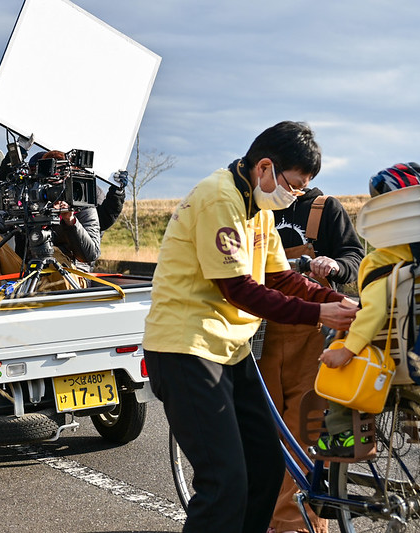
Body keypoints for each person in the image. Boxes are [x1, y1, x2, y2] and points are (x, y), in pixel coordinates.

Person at [142, 121, 359, 533]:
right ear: (264, 168)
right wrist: (317, 314)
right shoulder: (219, 197)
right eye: (293, 185)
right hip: (187, 348)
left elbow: (279, 277)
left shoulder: (258, 208)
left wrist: (335, 301)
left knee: (265, 466)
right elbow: (240, 289)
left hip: (230, 349)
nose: (295, 195)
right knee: (223, 483)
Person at [318, 163, 420, 456]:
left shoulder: (381, 263)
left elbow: (373, 313)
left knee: (332, 349)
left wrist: (346, 350)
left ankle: (343, 433)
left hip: (392, 358)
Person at [261, 179, 364, 533]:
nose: (288, 185)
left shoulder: (324, 208)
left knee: (303, 431)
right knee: (261, 429)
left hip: (312, 333)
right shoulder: (256, 210)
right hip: (261, 331)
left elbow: (354, 256)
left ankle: (294, 525)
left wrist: (334, 266)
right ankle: (265, 517)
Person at [0, 150, 101, 289]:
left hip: (72, 277)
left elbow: (91, 254)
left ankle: (64, 302)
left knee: (53, 252)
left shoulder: (82, 203)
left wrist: (70, 220)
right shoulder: (31, 198)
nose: (51, 186)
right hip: (30, 275)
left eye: (57, 179)